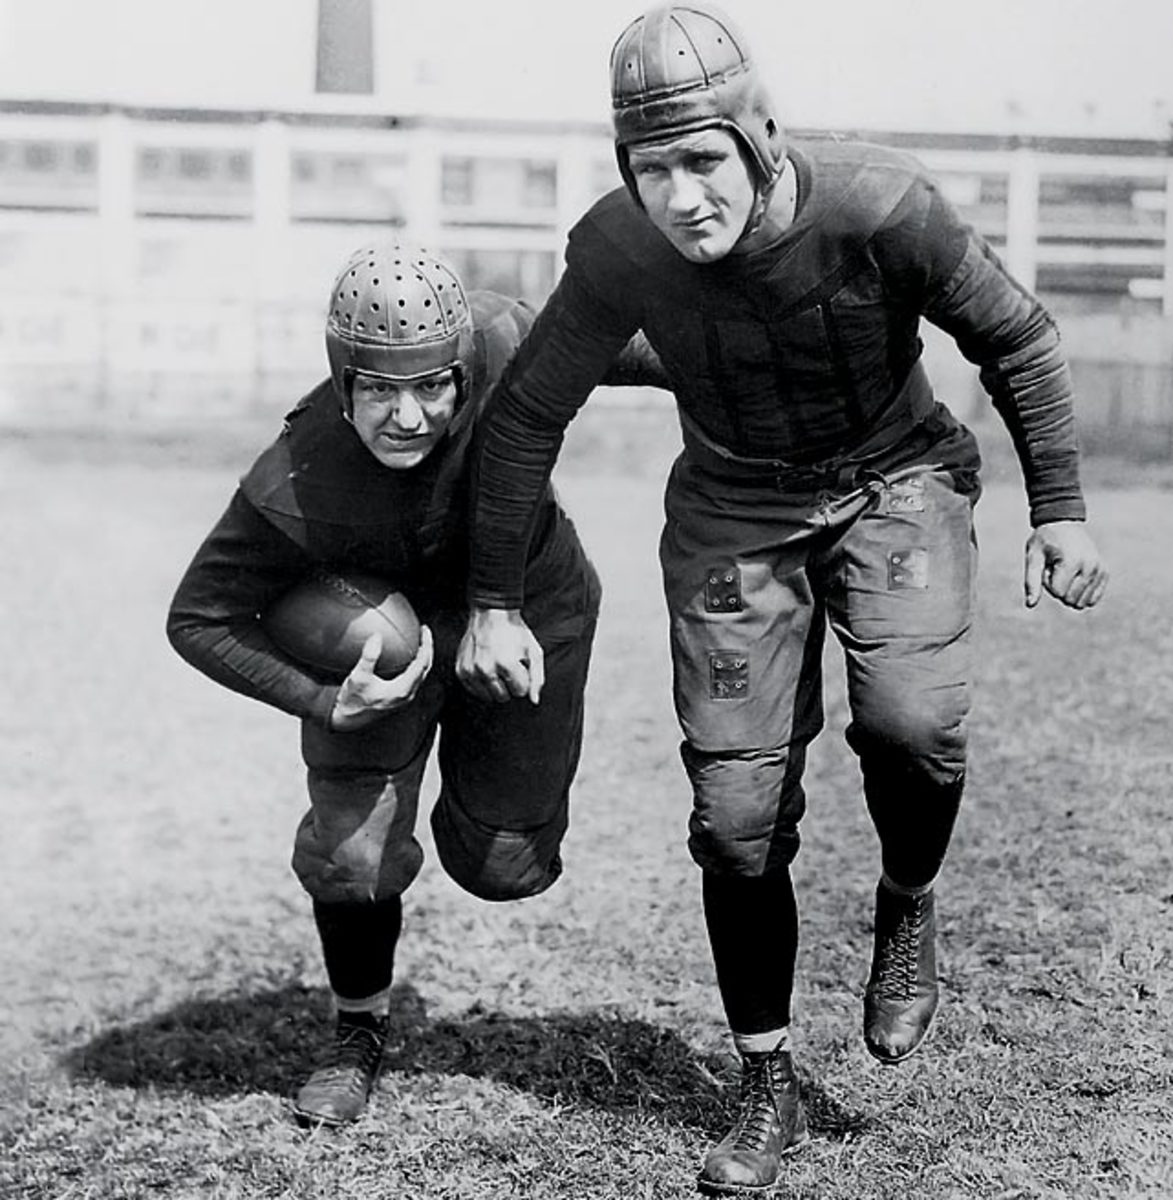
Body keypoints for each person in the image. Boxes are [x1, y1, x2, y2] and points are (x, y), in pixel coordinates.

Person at [459, 3, 1109, 1193]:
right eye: (650, 169)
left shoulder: (881, 204)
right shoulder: (617, 249)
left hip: (895, 476)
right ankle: (765, 1082)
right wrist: (493, 599)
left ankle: (907, 900)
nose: (680, 196)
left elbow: (1017, 339)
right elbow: (524, 417)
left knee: (912, 727)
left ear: (761, 138)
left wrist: (1056, 507)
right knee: (735, 817)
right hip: (733, 504)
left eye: (702, 159)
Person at [166, 240, 664, 1128]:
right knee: (352, 860)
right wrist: (328, 703)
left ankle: (479, 795)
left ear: (463, 369)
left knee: (506, 867)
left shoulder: (503, 339)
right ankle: (356, 1030)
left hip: (526, 605)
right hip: (385, 644)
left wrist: (727, 368)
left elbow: (622, 342)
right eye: (379, 390)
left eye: (432, 385)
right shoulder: (296, 476)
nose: (409, 415)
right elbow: (196, 618)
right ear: (342, 378)